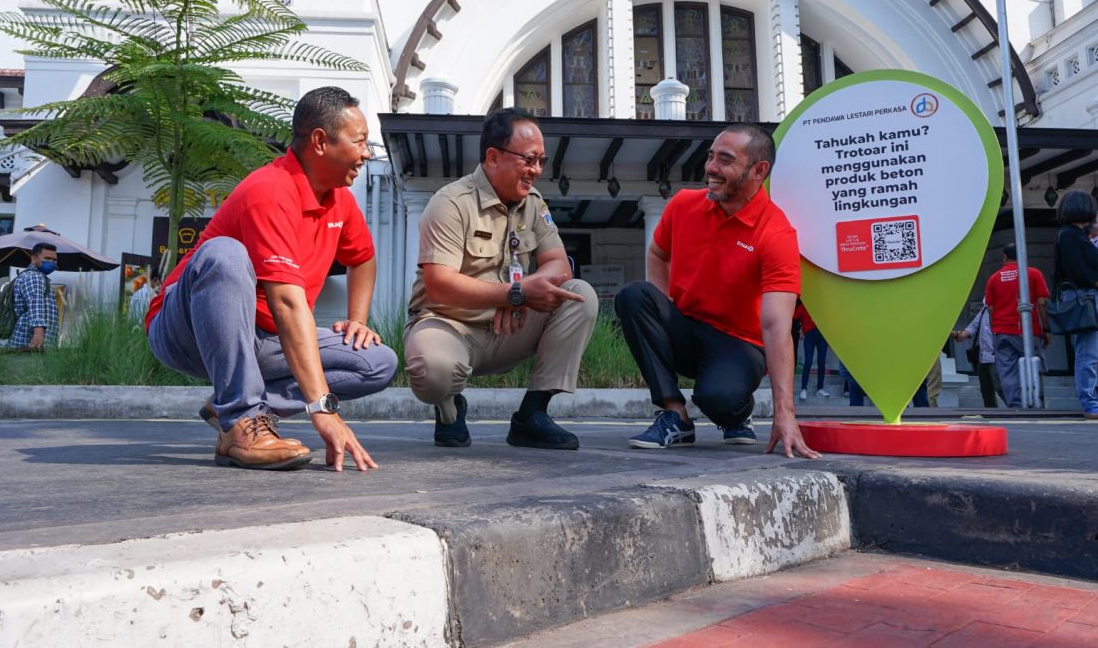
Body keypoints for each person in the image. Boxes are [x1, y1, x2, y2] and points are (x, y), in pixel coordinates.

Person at [146, 87, 398, 472]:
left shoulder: (339, 201)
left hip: (263, 340)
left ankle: (229, 404)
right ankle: (242, 420)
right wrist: (323, 409)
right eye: (360, 142)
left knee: (377, 361)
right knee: (224, 254)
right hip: (187, 330)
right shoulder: (269, 190)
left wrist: (357, 320)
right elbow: (287, 303)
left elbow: (362, 259)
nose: (366, 154)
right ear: (319, 141)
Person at [616, 124, 819, 458]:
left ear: (758, 170)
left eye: (725, 160)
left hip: (740, 344)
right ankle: (673, 415)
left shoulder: (776, 233)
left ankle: (739, 413)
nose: (710, 168)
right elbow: (657, 253)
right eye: (711, 156)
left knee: (719, 401)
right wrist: (665, 306)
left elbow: (776, 326)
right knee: (635, 296)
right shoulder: (683, 205)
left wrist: (786, 412)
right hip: (688, 326)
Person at [404, 107, 598, 450]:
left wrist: (518, 293)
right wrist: (512, 294)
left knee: (579, 295)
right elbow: (439, 284)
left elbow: (558, 264)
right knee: (430, 371)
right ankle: (449, 410)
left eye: (541, 160)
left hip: (510, 327)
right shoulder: (450, 203)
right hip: (452, 325)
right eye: (528, 159)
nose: (536, 170)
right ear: (493, 157)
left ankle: (532, 416)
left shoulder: (534, 205)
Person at [984, 243, 1051, 409]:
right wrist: (1046, 328)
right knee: (1033, 365)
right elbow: (1042, 303)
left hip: (1002, 330)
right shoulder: (1034, 274)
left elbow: (991, 309)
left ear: (1005, 257)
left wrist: (994, 331)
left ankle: (1015, 405)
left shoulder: (994, 278)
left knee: (1007, 371)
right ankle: (1036, 402)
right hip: (1028, 331)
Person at [1052, 190, 1098, 419]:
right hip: (1086, 297)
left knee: (1088, 351)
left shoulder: (1071, 234)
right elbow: (1081, 270)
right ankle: (1090, 403)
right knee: (1088, 352)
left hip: (1083, 297)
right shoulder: (1071, 236)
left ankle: (1091, 401)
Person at [8, 242, 59, 351]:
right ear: (34, 259)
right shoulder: (34, 277)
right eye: (47, 258)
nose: (52, 262)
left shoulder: (35, 276)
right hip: (30, 342)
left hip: (32, 341)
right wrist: (38, 334)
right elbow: (36, 305)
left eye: (54, 260)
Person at [953, 303, 1003, 408]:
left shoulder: (1002, 306)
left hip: (997, 357)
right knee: (986, 391)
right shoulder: (985, 308)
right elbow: (973, 326)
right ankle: (991, 415)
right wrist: (957, 334)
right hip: (983, 357)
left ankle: (1016, 410)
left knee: (1001, 388)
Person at [795, 301, 829, 401]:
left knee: (821, 361)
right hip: (809, 335)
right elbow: (794, 317)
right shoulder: (804, 305)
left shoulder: (822, 305)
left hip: (822, 334)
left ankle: (820, 388)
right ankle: (804, 388)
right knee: (808, 361)